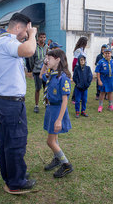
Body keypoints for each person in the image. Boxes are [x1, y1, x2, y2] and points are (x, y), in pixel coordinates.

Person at [0, 13, 37, 194]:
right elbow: (30, 50)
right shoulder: (7, 42)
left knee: (5, 143)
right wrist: (33, 35)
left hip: (3, 100)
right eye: (25, 30)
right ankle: (16, 183)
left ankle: (12, 176)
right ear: (17, 27)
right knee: (15, 142)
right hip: (11, 104)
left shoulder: (0, 42)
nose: (26, 35)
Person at [39, 49, 73, 178]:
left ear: (58, 59)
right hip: (50, 109)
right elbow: (40, 75)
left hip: (57, 110)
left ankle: (66, 164)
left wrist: (59, 120)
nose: (47, 60)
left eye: (50, 58)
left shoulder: (63, 78)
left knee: (50, 141)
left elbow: (65, 100)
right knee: (55, 138)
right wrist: (45, 63)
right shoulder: (51, 74)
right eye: (46, 58)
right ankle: (57, 158)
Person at [95, 45, 113, 112]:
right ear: (103, 53)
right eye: (106, 53)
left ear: (111, 53)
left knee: (110, 92)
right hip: (103, 79)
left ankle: (110, 105)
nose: (107, 55)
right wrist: (99, 80)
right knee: (102, 92)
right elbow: (98, 72)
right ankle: (100, 106)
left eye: (109, 53)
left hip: (111, 79)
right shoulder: (100, 62)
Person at [29, 32, 48, 113]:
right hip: (37, 71)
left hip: (46, 72)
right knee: (38, 88)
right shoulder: (34, 47)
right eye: (41, 37)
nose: (42, 39)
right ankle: (36, 105)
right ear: (38, 38)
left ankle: (47, 104)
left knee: (46, 88)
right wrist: (33, 69)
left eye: (44, 37)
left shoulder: (47, 47)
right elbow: (31, 60)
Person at [72, 37, 88, 103]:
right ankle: (74, 98)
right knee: (78, 83)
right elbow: (75, 60)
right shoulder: (78, 50)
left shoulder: (82, 50)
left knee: (82, 83)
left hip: (83, 68)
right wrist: (74, 69)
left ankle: (79, 97)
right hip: (78, 68)